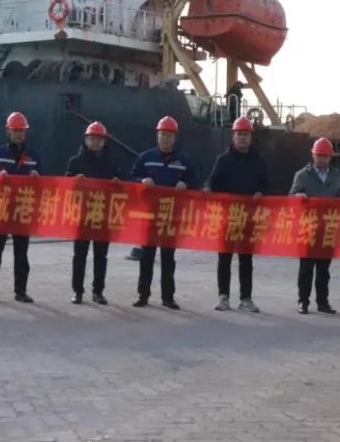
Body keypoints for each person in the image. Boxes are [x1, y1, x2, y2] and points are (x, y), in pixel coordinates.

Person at [130, 116, 197, 310]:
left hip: (171, 217)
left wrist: (186, 184)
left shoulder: (183, 161)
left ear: (174, 138)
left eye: (169, 135)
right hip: (149, 216)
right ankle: (143, 295)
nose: (166, 138)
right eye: (162, 134)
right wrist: (141, 181)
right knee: (147, 257)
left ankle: (168, 297)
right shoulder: (145, 158)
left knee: (168, 258)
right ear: (157, 136)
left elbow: (195, 181)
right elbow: (132, 178)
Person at [205, 115, 268, 313]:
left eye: (246, 134)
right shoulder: (223, 160)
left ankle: (246, 299)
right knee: (224, 257)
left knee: (246, 259)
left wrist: (261, 192)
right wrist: (206, 189)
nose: (242, 138)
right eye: (239, 134)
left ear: (251, 137)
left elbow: (266, 183)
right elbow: (212, 182)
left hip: (249, 217)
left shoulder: (258, 161)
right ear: (233, 136)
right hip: (228, 216)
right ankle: (223, 297)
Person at [0, 111, 41, 303]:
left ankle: (20, 291)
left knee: (21, 253)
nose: (18, 134)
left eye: (21, 131)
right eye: (15, 130)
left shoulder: (33, 157)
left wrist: (37, 177)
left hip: (23, 209)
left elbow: (43, 186)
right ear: (8, 131)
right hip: (1, 209)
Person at [65, 121, 120, 305]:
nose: (96, 142)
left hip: (103, 216)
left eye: (99, 139)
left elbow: (123, 184)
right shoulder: (75, 162)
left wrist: (117, 182)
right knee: (79, 255)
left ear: (104, 142)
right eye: (92, 139)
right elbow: (65, 185)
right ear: (86, 140)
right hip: (82, 216)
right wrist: (74, 180)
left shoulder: (112, 163)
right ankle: (77, 291)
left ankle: (98, 292)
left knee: (100, 256)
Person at [290, 137, 340, 315]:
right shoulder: (302, 175)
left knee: (324, 269)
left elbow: (339, 196)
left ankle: (323, 302)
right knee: (306, 268)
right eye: (319, 155)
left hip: (327, 228)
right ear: (313, 155)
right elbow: (291, 197)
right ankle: (303, 301)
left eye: (325, 156)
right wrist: (298, 197)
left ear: (330, 157)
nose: (321, 159)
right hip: (308, 228)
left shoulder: (335, 176)